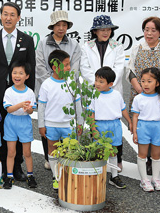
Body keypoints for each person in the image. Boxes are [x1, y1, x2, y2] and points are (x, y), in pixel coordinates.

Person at [0, 2, 35, 181]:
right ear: (1, 16)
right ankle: (4, 166)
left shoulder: (27, 40)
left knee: (19, 128)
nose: (8, 18)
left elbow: (31, 69)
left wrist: (30, 95)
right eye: (5, 14)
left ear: (18, 18)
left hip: (19, 93)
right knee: (2, 128)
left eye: (12, 14)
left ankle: (17, 166)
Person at [127, 16, 160, 174]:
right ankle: (144, 156)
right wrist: (139, 87)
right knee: (142, 124)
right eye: (146, 30)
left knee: (158, 124)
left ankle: (155, 159)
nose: (149, 33)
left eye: (153, 30)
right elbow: (130, 69)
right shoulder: (137, 47)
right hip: (139, 92)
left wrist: (157, 89)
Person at [35, 10, 80, 170]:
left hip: (68, 88)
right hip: (47, 87)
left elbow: (75, 66)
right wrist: (52, 82)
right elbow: (40, 65)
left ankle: (65, 157)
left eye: (64, 25)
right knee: (48, 122)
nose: (61, 28)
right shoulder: (42, 43)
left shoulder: (74, 44)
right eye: (58, 25)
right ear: (52, 26)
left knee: (67, 121)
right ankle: (50, 158)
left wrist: (65, 81)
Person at [80, 15, 125, 171]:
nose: (105, 32)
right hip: (94, 89)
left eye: (108, 29)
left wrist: (108, 83)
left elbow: (119, 68)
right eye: (102, 29)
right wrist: (96, 83)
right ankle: (98, 159)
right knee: (95, 124)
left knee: (114, 127)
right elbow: (84, 67)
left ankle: (117, 160)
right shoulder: (87, 46)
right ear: (95, 31)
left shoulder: (117, 46)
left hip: (112, 89)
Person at [38, 50, 82, 190]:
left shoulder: (71, 82)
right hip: (51, 124)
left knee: (70, 151)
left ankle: (68, 176)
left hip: (68, 124)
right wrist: (41, 124)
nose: (69, 67)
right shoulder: (46, 84)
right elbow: (41, 107)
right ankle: (56, 176)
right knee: (53, 150)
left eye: (69, 64)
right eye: (66, 64)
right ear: (55, 67)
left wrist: (79, 122)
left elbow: (78, 104)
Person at [88, 67, 132, 189]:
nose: (97, 83)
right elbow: (91, 113)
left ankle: (114, 176)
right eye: (96, 80)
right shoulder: (93, 94)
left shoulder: (116, 94)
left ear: (111, 84)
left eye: (101, 81)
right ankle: (98, 175)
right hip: (99, 125)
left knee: (113, 151)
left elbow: (123, 109)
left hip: (114, 125)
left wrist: (129, 121)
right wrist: (93, 128)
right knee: (99, 152)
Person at [131, 67, 160, 192]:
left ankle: (155, 178)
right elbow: (135, 116)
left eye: (149, 81)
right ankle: (144, 180)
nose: (145, 84)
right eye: (143, 81)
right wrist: (135, 132)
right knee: (142, 154)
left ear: (157, 83)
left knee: (156, 155)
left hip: (158, 127)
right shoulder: (138, 98)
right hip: (143, 127)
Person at [3, 61, 37, 189]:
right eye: (14, 72)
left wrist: (27, 109)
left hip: (24, 122)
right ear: (11, 74)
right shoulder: (8, 91)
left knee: (27, 152)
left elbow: (31, 110)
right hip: (11, 121)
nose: (17, 76)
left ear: (27, 76)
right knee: (11, 152)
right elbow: (9, 109)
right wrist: (20, 105)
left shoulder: (30, 92)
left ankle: (30, 175)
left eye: (21, 73)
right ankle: (9, 176)